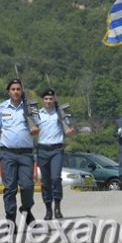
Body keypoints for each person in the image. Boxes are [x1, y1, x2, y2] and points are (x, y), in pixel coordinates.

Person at [0, 79, 36, 228]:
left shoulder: (30, 108)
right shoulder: (1, 108)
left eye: (18, 89)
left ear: (22, 91)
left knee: (27, 186)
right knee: (10, 188)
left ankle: (26, 209)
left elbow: (37, 127)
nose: (16, 91)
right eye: (13, 89)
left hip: (26, 154)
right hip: (7, 153)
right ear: (9, 91)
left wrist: (34, 127)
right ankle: (10, 220)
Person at [34, 89, 73, 220]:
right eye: (46, 99)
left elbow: (70, 129)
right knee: (45, 182)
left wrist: (69, 129)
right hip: (42, 150)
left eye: (50, 99)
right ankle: (48, 209)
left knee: (55, 178)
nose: (48, 101)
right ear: (43, 100)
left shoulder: (60, 114)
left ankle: (57, 207)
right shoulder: (37, 114)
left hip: (57, 150)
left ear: (54, 100)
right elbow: (31, 130)